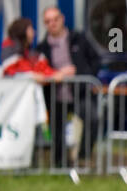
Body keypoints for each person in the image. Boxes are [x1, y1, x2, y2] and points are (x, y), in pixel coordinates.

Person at [33, 6, 102, 167]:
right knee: (57, 132)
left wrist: (83, 76)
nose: (53, 23)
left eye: (55, 19)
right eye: (48, 21)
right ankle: (60, 165)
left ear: (62, 19)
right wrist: (58, 74)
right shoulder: (42, 49)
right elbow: (38, 71)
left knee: (92, 118)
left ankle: (84, 157)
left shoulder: (79, 38)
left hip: (80, 93)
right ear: (45, 24)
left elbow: (96, 61)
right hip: (56, 96)